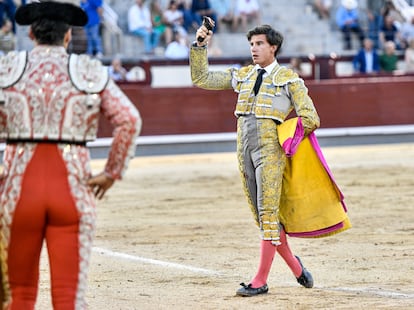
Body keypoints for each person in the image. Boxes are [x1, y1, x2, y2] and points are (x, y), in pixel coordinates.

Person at [190, 23, 350, 297]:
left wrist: (287, 138)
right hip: (243, 151)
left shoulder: (290, 79)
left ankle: (260, 280)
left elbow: (311, 118)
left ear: (273, 47)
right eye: (251, 44)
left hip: (270, 153)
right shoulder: (242, 76)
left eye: (259, 44)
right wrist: (200, 45)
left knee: (267, 215)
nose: (254, 48)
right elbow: (202, 78)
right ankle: (296, 268)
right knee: (262, 218)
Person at [0, 1, 142, 308]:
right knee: (68, 298)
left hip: (17, 192)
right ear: (67, 37)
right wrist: (111, 172)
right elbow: (129, 120)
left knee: (19, 296)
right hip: (72, 189)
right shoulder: (88, 70)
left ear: (31, 34)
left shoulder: (6, 68)